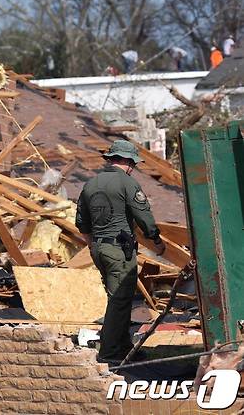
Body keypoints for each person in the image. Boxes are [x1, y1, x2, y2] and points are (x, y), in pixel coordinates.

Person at [75, 140, 166, 363]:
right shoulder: (127, 183)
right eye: (133, 163)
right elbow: (143, 216)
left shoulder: (91, 184)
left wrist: (93, 245)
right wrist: (155, 239)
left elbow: (81, 222)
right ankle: (110, 352)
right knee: (120, 299)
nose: (133, 167)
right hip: (119, 249)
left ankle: (124, 346)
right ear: (125, 161)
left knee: (118, 298)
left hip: (98, 248)